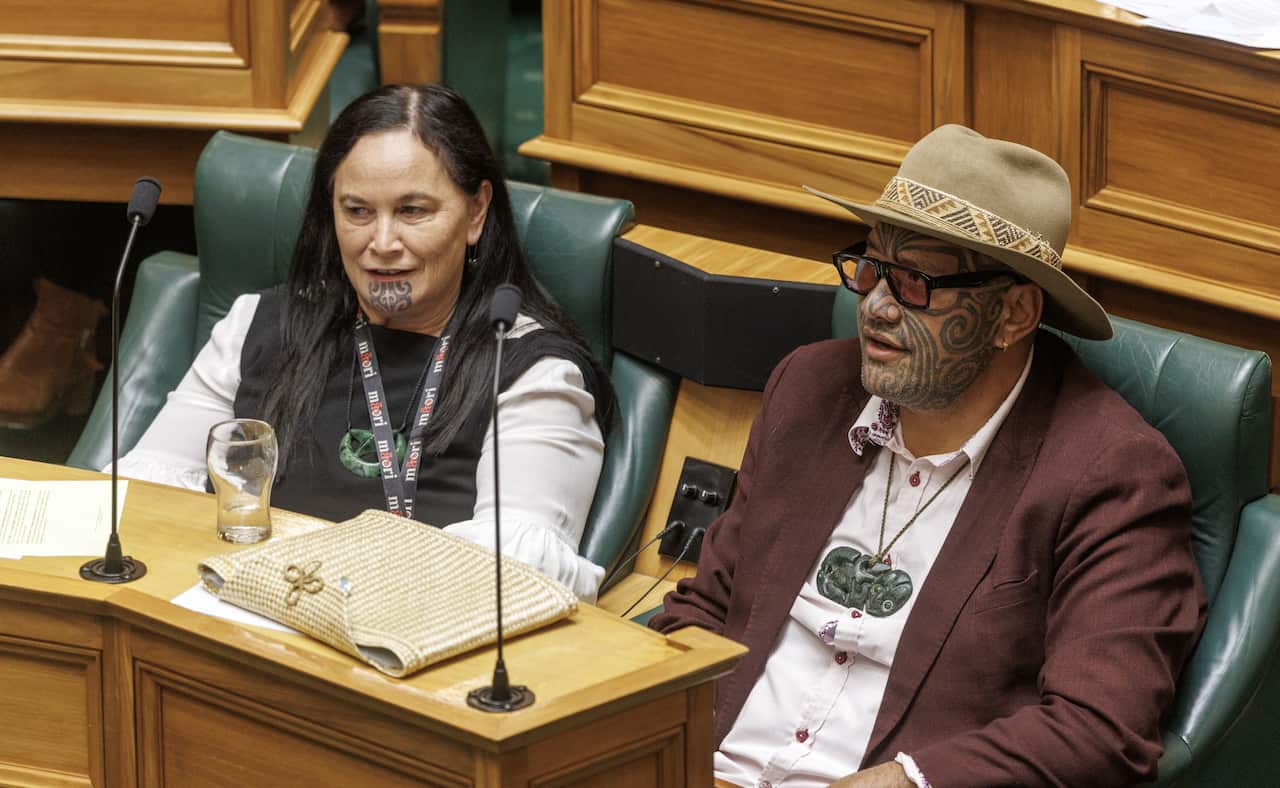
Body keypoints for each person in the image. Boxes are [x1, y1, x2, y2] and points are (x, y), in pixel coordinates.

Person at [649, 125, 1205, 787]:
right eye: (870, 266)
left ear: (1015, 314)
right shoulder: (810, 390)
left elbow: (1098, 729)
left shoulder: (1112, 474)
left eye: (913, 281)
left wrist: (901, 783)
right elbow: (710, 609)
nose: (877, 305)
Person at [114, 84, 614, 600]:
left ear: (476, 212)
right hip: (236, 618)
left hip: (404, 648)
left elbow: (513, 578)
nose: (381, 244)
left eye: (413, 211)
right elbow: (146, 498)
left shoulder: (530, 370)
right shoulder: (258, 324)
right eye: (357, 211)